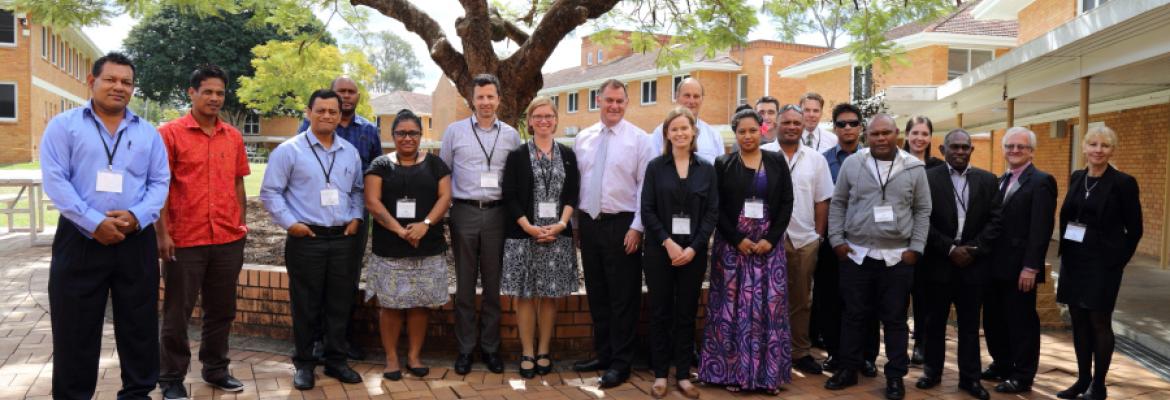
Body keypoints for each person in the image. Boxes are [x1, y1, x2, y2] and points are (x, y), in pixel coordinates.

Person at [41, 52, 171, 400]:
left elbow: (160, 182)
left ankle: (137, 393)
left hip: (135, 239)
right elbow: (56, 181)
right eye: (111, 79)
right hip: (80, 240)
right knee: (75, 328)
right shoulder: (64, 126)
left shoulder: (148, 134)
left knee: (140, 325)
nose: (119, 87)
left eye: (126, 82)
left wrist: (135, 217)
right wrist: (93, 222)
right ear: (91, 81)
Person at [155, 65, 250, 399]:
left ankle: (216, 369)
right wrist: (163, 233)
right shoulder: (169, 134)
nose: (214, 98)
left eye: (220, 93)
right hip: (185, 239)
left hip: (227, 238)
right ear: (191, 93)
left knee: (221, 310)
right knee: (177, 312)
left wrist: (241, 224)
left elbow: (238, 182)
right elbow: (160, 186)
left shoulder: (233, 136)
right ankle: (170, 378)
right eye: (207, 91)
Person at [260, 89, 365, 390]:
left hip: (343, 238)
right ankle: (304, 363)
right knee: (306, 304)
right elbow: (270, 192)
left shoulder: (349, 152)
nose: (327, 116)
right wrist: (291, 224)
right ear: (308, 112)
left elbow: (357, 190)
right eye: (321, 110)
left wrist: (356, 217)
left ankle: (335, 361)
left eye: (333, 111)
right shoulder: (289, 150)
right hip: (307, 238)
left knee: (339, 303)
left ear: (339, 115)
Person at [824, 114, 931, 400]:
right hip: (857, 254)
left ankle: (895, 377)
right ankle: (848, 369)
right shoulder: (853, 163)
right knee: (853, 315)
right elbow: (839, 203)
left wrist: (916, 248)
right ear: (866, 136)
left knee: (895, 320)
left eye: (886, 133)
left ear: (897, 134)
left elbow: (922, 210)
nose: (881, 138)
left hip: (897, 257)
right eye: (875, 134)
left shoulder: (914, 167)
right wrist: (836, 240)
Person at [700, 106, 794, 394]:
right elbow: (716, 208)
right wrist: (737, 238)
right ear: (735, 133)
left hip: (769, 249)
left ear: (762, 130)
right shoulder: (723, 163)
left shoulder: (777, 160)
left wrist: (772, 238)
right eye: (742, 131)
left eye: (753, 130)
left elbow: (787, 203)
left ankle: (768, 377)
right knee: (731, 309)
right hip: (733, 249)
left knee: (769, 308)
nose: (748, 136)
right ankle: (732, 373)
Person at [571, 79, 656, 389]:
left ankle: (621, 362)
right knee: (598, 294)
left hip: (623, 226)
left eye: (620, 101)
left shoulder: (640, 140)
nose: (615, 106)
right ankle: (604, 354)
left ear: (627, 102)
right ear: (598, 99)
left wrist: (637, 227)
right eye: (609, 100)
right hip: (590, 224)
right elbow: (579, 184)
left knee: (623, 297)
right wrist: (578, 227)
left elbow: (645, 189)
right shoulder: (583, 138)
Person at [440, 74, 522, 375]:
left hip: (498, 215)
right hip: (464, 212)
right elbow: (444, 173)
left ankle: (490, 349)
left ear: (499, 99)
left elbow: (515, 177)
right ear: (471, 100)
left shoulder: (512, 135)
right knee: (463, 285)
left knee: (492, 285)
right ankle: (465, 349)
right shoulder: (454, 132)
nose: (485, 102)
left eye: (490, 97)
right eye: (480, 97)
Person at [362, 109, 452, 381]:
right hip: (390, 246)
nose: (407, 138)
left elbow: (445, 197)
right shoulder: (380, 165)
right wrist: (400, 230)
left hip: (427, 246)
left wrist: (425, 224)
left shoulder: (436, 165)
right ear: (393, 136)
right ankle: (391, 358)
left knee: (419, 304)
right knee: (390, 304)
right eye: (401, 133)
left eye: (413, 132)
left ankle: (414, 356)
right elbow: (372, 202)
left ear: (421, 135)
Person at [1054, 126, 1142, 400]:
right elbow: (1070, 216)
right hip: (1074, 261)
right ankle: (1082, 380)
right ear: (1084, 147)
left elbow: (1135, 229)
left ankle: (1099, 385)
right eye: (1093, 144)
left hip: (1103, 265)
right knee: (1078, 320)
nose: (1098, 150)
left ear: (1112, 150)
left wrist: (1117, 262)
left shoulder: (1123, 183)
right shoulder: (1077, 177)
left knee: (1099, 321)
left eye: (1104, 146)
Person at [297, 76, 381, 360]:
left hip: (353, 218)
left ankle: (341, 340)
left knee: (347, 280)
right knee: (316, 283)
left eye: (350, 92)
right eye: (340, 92)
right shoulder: (310, 127)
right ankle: (316, 342)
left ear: (358, 96)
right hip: (316, 219)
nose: (345, 96)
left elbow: (376, 172)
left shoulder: (369, 130)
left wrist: (362, 213)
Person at [916, 129, 1000, 400]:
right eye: (955, 147)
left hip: (973, 266)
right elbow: (920, 220)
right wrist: (950, 248)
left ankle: (970, 379)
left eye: (965, 147)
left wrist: (973, 249)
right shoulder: (927, 179)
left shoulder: (987, 180)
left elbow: (996, 221)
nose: (960, 152)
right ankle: (931, 371)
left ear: (972, 150)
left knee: (969, 327)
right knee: (934, 322)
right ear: (943, 150)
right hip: (939, 263)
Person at [641, 107, 719, 398]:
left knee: (687, 313)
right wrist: (669, 243)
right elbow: (647, 209)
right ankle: (661, 374)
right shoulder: (655, 167)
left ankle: (684, 375)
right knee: (660, 312)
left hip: (693, 253)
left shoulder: (706, 169)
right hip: (660, 251)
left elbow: (712, 212)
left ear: (693, 131)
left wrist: (694, 247)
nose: (680, 133)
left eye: (684, 128)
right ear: (666, 134)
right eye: (674, 129)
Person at [500, 97, 580, 378]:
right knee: (525, 295)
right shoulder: (517, 155)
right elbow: (509, 196)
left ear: (556, 120)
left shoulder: (568, 155)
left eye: (549, 116)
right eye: (538, 116)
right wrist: (528, 227)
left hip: (558, 237)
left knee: (549, 296)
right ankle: (527, 352)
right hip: (524, 236)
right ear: (530, 121)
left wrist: (561, 224)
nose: (544, 121)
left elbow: (572, 194)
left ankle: (544, 350)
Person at [981, 127, 1056, 394]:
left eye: (1020, 147)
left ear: (1031, 151)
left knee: (1021, 322)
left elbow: (1041, 228)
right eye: (1009, 146)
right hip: (994, 267)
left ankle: (1023, 374)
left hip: (1020, 268)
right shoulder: (1001, 180)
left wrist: (1031, 267)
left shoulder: (1041, 181)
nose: (1014, 151)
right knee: (994, 319)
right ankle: (1002, 364)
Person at [761, 104, 834, 375]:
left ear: (803, 126)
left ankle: (800, 351)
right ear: (776, 124)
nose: (792, 126)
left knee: (802, 299)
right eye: (787, 122)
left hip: (804, 239)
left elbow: (822, 200)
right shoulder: (762, 154)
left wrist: (818, 234)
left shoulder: (816, 159)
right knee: (768, 297)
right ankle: (769, 349)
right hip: (769, 240)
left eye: (796, 123)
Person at [815, 103, 880, 377]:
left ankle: (867, 356)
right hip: (832, 240)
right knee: (830, 298)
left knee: (866, 301)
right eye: (841, 124)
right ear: (834, 127)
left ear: (861, 127)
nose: (848, 128)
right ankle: (835, 352)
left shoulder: (875, 160)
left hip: (866, 242)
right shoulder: (823, 160)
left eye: (853, 123)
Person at [902, 115, 942, 366]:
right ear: (907, 135)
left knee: (924, 296)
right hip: (900, 239)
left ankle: (921, 344)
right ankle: (898, 344)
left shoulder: (938, 167)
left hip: (930, 240)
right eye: (915, 133)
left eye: (924, 134)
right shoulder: (896, 162)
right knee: (898, 295)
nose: (919, 138)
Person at [649, 77, 726, 163]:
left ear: (702, 99)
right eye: (687, 96)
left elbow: (721, 172)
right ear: (677, 97)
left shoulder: (714, 136)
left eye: (696, 96)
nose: (691, 101)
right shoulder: (660, 133)